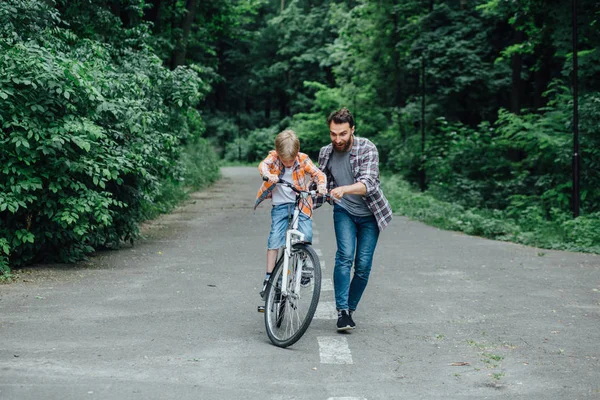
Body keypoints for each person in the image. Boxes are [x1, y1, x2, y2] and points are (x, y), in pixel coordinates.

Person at [317, 108, 392, 332]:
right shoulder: (325, 153)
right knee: (344, 257)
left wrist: (343, 189)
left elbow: (369, 183)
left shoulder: (367, 147)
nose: (337, 139)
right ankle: (342, 313)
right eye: (333, 134)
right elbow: (320, 184)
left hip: (370, 214)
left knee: (362, 266)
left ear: (352, 130)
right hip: (344, 211)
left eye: (342, 134)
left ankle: (350, 309)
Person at [255, 129, 327, 298]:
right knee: (274, 238)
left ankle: (302, 264)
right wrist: (268, 175)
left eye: (291, 160)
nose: (288, 164)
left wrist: (321, 185)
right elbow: (263, 166)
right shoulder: (273, 157)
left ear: (297, 152)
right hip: (280, 206)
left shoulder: (303, 159)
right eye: (284, 160)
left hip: (301, 204)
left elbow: (318, 174)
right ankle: (269, 277)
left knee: (306, 233)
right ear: (278, 153)